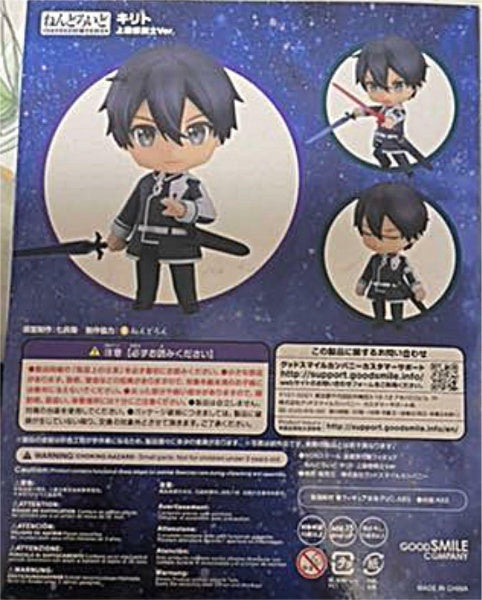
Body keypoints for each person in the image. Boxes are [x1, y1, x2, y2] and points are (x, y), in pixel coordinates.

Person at [101, 45, 243, 313]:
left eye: (196, 131)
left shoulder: (191, 185)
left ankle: (190, 312)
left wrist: (185, 210)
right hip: (145, 243)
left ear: (217, 136)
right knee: (145, 285)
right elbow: (129, 212)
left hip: (180, 243)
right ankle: (143, 309)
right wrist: (117, 236)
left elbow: (208, 212)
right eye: (145, 133)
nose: (171, 149)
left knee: (184, 284)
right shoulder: (145, 183)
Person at [354, 182, 428, 326]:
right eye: (368, 234)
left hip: (395, 289)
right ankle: (379, 319)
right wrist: (362, 284)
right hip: (377, 287)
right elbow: (367, 273)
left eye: (391, 237)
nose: (378, 243)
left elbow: (410, 276)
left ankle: (397, 320)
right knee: (377, 304)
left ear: (414, 237)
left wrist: (417, 289)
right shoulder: (375, 259)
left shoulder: (401, 262)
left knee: (396, 305)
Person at [353, 36, 428, 175]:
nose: (386, 95)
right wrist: (360, 112)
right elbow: (372, 110)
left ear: (415, 86)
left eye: (398, 86)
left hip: (394, 141)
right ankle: (385, 166)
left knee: (400, 158)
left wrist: (390, 120)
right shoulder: (384, 108)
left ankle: (410, 174)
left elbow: (397, 115)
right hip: (382, 140)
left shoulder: (398, 111)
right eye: (374, 86)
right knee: (378, 154)